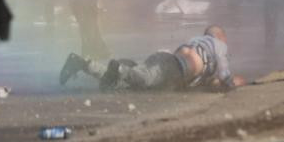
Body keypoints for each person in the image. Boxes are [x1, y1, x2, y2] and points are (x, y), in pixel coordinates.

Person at [59, 25, 246, 91]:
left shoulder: (197, 42)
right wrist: (232, 83)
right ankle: (120, 68)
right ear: (221, 37)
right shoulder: (218, 44)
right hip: (173, 67)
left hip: (167, 62)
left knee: (122, 84)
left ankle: (82, 64)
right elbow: (224, 74)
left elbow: (209, 81)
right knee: (143, 78)